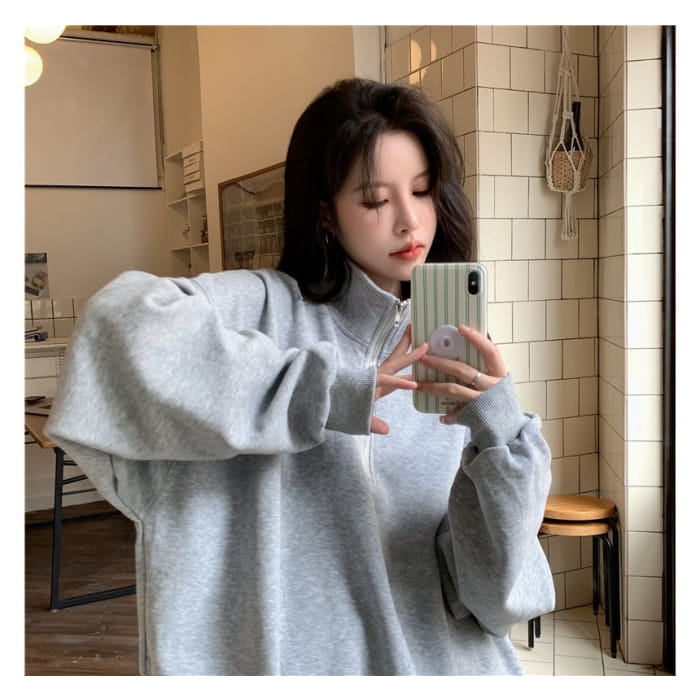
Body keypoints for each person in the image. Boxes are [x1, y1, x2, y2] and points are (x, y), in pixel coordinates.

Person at [46, 77, 554, 676]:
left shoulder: (444, 358)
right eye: (376, 200)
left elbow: (492, 599)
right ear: (326, 213)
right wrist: (324, 392)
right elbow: (115, 325)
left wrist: (500, 438)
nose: (410, 221)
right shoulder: (256, 309)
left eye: (423, 191)